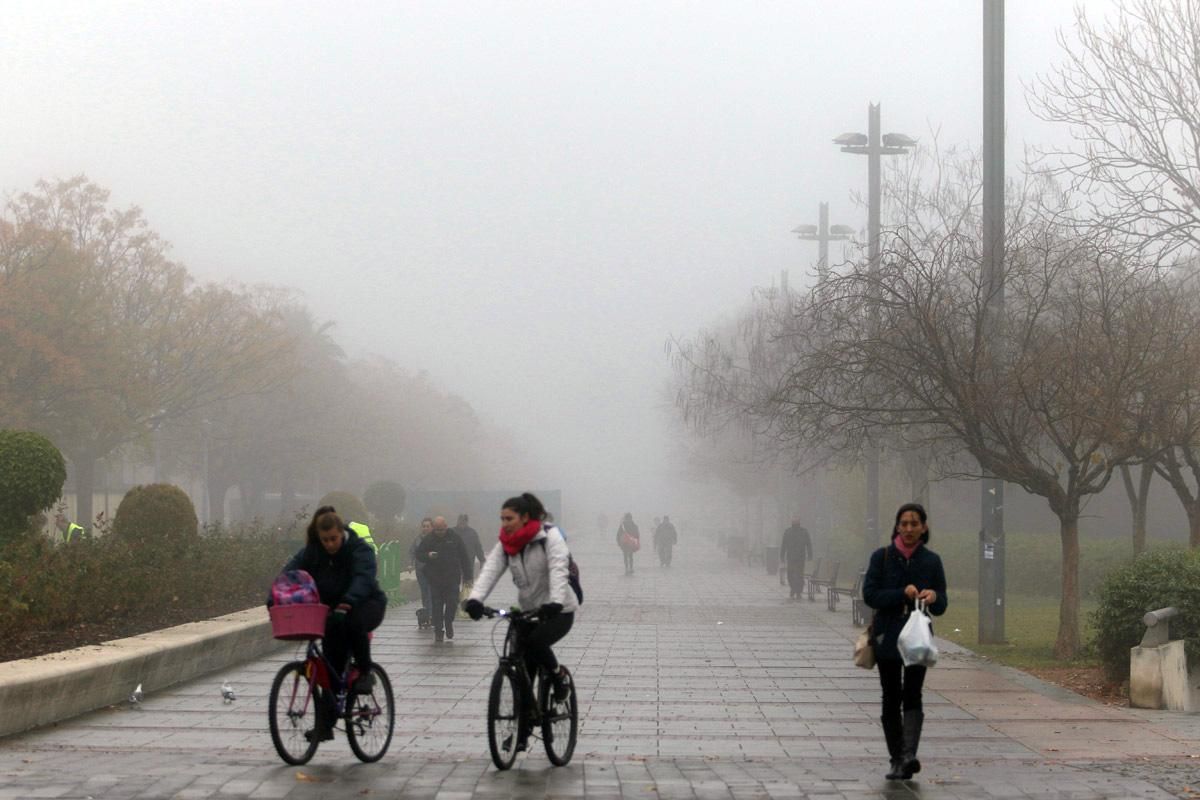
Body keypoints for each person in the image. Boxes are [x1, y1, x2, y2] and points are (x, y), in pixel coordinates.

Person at [464, 492, 578, 752]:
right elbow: (490, 569)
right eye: (501, 518)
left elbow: (559, 569)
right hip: (528, 611)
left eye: (509, 518)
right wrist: (475, 599)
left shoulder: (549, 537)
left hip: (558, 611)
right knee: (522, 669)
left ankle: (558, 677)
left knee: (537, 643)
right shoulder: (506, 543)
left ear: (525, 518)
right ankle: (522, 732)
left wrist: (555, 601)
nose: (504, 523)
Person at [278, 505, 387, 740]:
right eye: (325, 539)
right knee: (328, 669)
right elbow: (289, 574)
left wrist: (349, 600)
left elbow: (363, 577)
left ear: (342, 533)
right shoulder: (313, 553)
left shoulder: (359, 549)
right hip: (332, 612)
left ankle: (365, 671)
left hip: (366, 604)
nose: (329, 544)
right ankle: (325, 726)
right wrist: (275, 596)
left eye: (333, 539)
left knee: (353, 623)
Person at [862, 502, 948, 781]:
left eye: (914, 523)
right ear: (897, 526)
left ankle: (909, 754)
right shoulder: (882, 557)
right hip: (888, 637)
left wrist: (933, 597)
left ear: (924, 527)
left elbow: (942, 603)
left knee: (913, 694)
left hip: (918, 639)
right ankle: (896, 757)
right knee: (891, 697)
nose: (909, 529)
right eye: (904, 523)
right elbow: (871, 595)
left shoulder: (931, 561)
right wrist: (902, 593)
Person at [415, 515, 472, 643]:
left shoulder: (454, 538)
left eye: (442, 530)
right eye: (437, 530)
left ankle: (448, 621)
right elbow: (419, 554)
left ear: (446, 527)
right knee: (437, 605)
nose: (440, 533)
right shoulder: (429, 539)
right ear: (434, 529)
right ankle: (438, 631)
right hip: (435, 579)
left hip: (452, 578)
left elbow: (464, 557)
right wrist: (428, 555)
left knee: (452, 603)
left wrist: (468, 576)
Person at [409, 518, 434, 630]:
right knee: (424, 592)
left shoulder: (436, 539)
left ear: (432, 527)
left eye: (427, 526)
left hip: (433, 571)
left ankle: (430, 615)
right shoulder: (418, 539)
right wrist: (410, 564)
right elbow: (412, 552)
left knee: (430, 592)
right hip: (420, 570)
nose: (425, 528)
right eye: (424, 526)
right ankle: (427, 614)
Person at [779, 519, 813, 601]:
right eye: (794, 521)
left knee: (799, 575)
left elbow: (808, 544)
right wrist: (782, 556)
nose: (795, 522)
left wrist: (810, 555)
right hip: (790, 557)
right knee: (790, 574)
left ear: (799, 523)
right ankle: (793, 589)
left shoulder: (804, 532)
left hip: (800, 558)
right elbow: (784, 544)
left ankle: (798, 592)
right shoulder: (788, 532)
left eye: (796, 521)